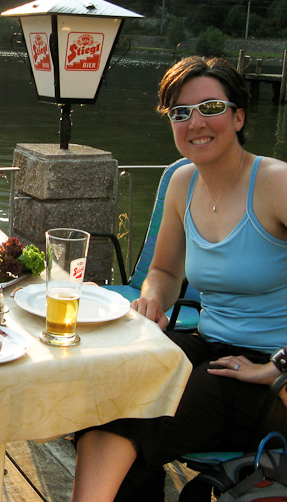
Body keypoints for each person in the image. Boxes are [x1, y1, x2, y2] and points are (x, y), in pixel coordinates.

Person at [71, 56, 287, 502]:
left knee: (131, 417)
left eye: (210, 107)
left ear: (239, 115)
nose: (195, 123)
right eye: (180, 112)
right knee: (101, 394)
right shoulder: (183, 182)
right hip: (206, 346)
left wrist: (277, 368)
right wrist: (152, 300)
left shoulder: (275, 184)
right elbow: (166, 271)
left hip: (268, 378)